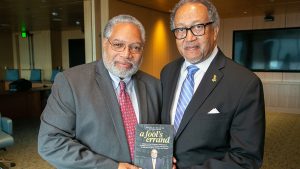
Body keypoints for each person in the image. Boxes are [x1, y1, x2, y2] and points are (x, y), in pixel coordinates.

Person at [38, 14, 162, 169]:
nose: (126, 54)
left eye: (135, 47)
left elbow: (159, 136)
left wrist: (165, 159)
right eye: (118, 44)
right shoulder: (71, 82)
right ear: (105, 43)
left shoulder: (155, 86)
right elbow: (50, 143)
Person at [160, 0, 265, 169]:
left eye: (198, 27)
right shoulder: (167, 72)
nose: (189, 37)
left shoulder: (245, 83)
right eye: (181, 29)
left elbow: (246, 158)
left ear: (215, 30)